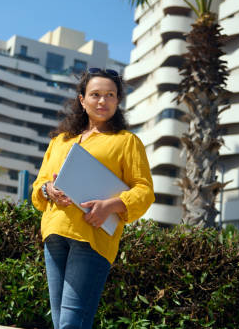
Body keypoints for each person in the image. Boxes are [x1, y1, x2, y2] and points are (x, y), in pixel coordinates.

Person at [32, 68, 154, 329]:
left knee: (71, 323)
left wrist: (111, 204)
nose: (102, 101)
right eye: (95, 94)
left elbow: (144, 190)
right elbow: (38, 187)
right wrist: (48, 190)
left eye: (110, 95)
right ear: (82, 100)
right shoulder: (60, 141)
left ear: (118, 101)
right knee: (60, 323)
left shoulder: (126, 142)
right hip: (54, 234)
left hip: (93, 237)